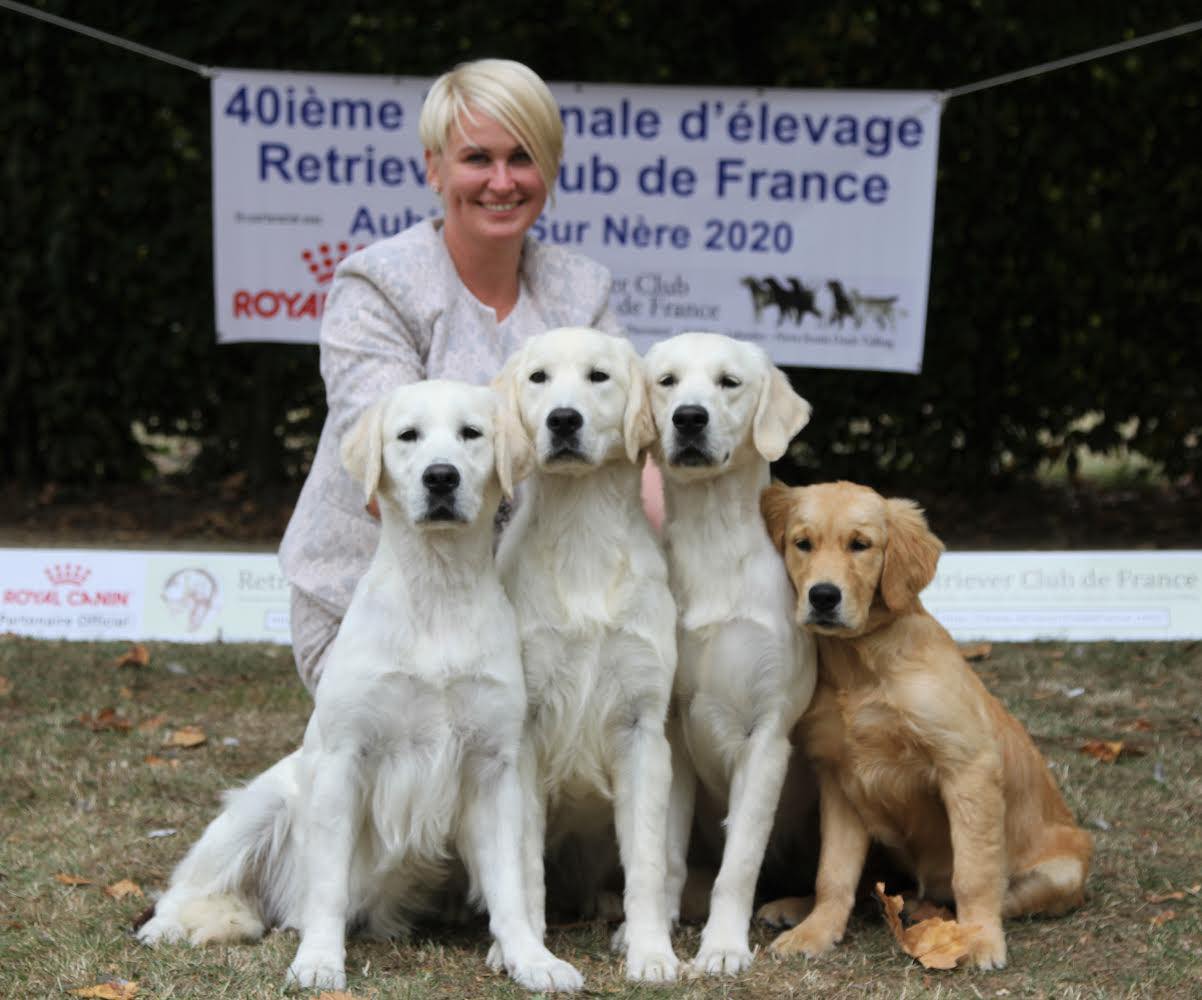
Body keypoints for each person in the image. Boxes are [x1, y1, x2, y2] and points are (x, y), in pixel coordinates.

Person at [279, 58, 626, 694]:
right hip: (366, 603)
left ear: (548, 168)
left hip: (527, 605)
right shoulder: (377, 283)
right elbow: (386, 460)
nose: (502, 181)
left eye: (522, 157)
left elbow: (630, 448)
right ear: (433, 166)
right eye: (476, 159)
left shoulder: (584, 290)